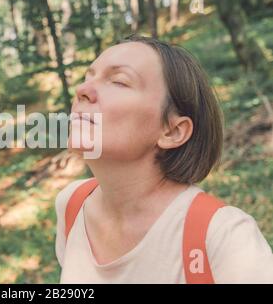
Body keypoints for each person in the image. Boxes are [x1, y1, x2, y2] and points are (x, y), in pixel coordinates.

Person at [55, 35, 273, 283]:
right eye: (87, 78)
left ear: (172, 131)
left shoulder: (226, 239)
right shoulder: (72, 205)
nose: (82, 91)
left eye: (118, 81)